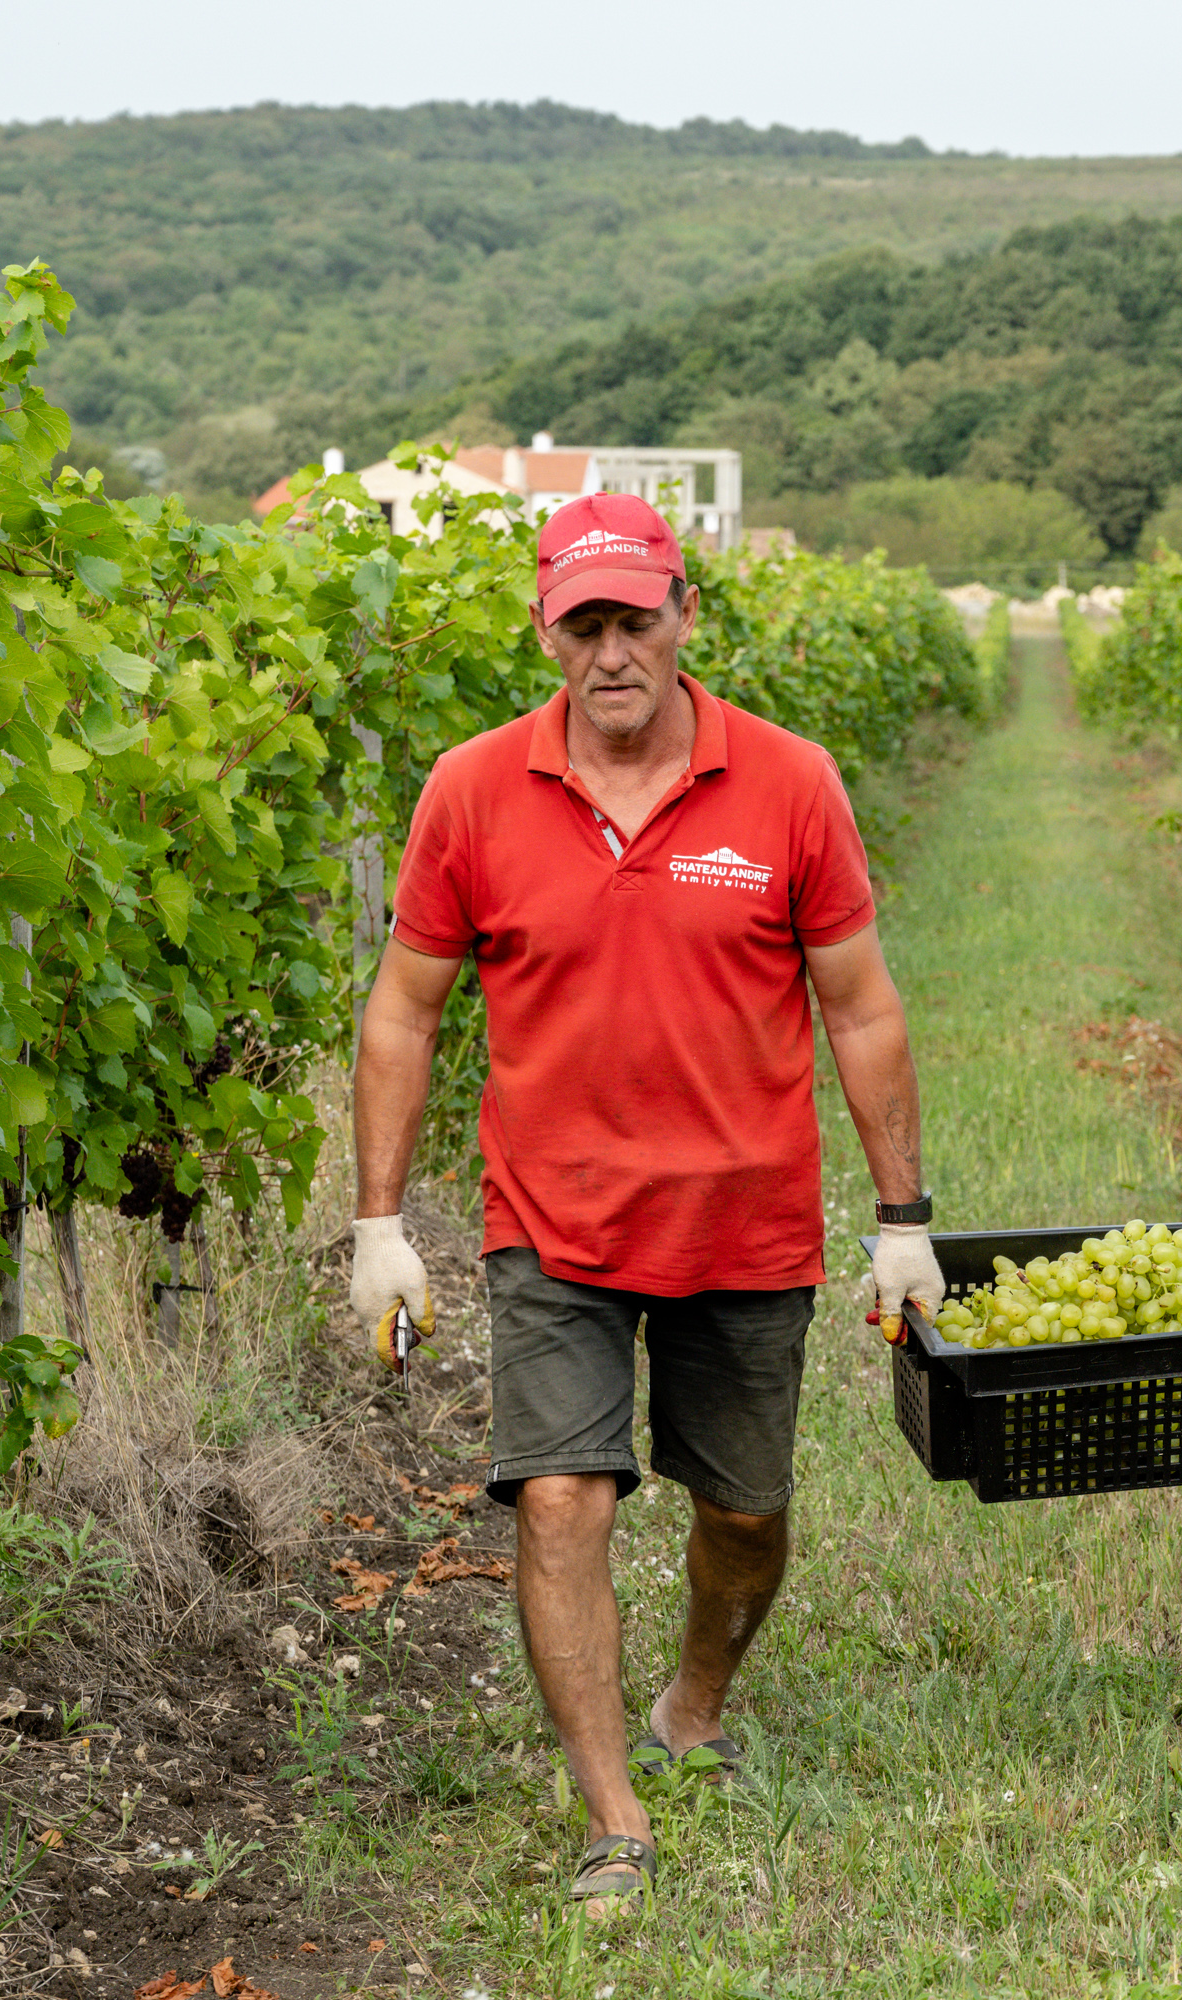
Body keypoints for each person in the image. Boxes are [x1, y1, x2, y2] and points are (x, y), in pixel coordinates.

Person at [345, 492, 945, 1916]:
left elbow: (858, 1010)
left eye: (636, 618)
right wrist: (376, 1222)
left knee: (744, 1514)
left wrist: (904, 1215)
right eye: (583, 622)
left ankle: (694, 1698)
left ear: (687, 618)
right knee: (561, 1496)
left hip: (745, 1219)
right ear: (546, 628)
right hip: (548, 1220)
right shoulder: (472, 789)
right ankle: (615, 1812)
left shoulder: (790, 782)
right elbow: (404, 1015)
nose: (612, 650)